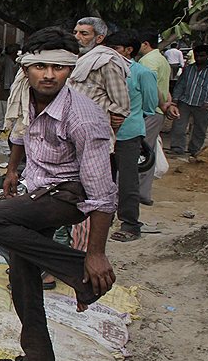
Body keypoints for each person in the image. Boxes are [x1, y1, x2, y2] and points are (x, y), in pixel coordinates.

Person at [0, 27, 117, 361]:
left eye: (58, 67)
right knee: (22, 279)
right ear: (27, 69)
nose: (49, 74)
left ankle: (79, 274)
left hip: (69, 196)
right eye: (40, 66)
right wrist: (12, 170)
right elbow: (21, 134)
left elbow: (103, 195)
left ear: (70, 70)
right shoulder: (28, 96)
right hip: (37, 187)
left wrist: (95, 255)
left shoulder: (84, 118)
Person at [103, 29, 159, 242]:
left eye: (114, 49)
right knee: (102, 179)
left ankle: (130, 223)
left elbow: (149, 104)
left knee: (127, 181)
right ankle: (103, 217)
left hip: (128, 134)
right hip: (104, 133)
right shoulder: (102, 69)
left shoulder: (142, 73)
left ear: (128, 50)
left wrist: (129, 117)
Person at [136, 30, 180, 206]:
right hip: (157, 112)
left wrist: (163, 103)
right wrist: (167, 102)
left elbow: (151, 84)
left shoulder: (148, 61)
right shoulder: (160, 59)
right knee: (148, 152)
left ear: (145, 44)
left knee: (139, 153)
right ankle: (142, 193)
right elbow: (163, 85)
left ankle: (134, 192)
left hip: (150, 111)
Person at [69, 17, 130, 137]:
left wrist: (109, 119)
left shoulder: (106, 62)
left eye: (84, 33)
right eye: (75, 32)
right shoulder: (72, 59)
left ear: (99, 38)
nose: (77, 37)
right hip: (69, 131)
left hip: (94, 133)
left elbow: (121, 104)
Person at [168, 44, 208, 156]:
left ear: (207, 56)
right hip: (185, 102)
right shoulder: (189, 69)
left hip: (203, 104)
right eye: (197, 56)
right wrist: (175, 99)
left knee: (200, 128)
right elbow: (180, 84)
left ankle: (195, 149)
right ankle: (177, 148)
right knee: (179, 125)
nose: (199, 58)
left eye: (202, 56)